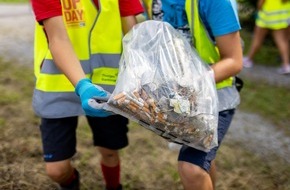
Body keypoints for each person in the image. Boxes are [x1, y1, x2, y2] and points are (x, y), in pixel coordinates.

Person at [30, 0, 143, 189]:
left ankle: (113, 186)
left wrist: (141, 76)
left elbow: (132, 34)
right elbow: (57, 39)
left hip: (108, 83)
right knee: (57, 170)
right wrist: (83, 86)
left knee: (110, 151)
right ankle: (71, 183)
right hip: (58, 84)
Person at [142, 0, 243, 189]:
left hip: (215, 99)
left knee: (191, 168)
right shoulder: (152, 2)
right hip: (177, 101)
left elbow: (234, 61)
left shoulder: (215, 3)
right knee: (202, 164)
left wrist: (190, 83)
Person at [243, 0, 290, 74]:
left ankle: (248, 59)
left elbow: (261, 2)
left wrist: (258, 10)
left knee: (257, 39)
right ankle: (286, 65)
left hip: (267, 15)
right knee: (282, 41)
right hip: (282, 17)